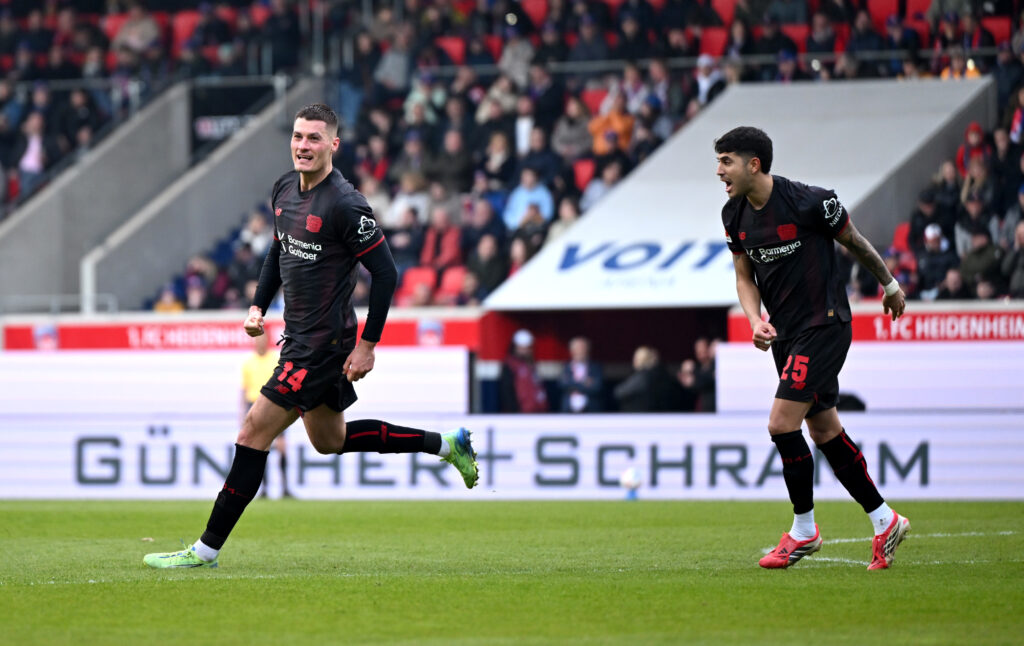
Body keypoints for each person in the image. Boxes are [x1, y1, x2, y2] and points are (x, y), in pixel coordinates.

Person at [144, 104, 479, 570]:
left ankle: (205, 551)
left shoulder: (346, 204)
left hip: (323, 346)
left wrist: (369, 343)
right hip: (297, 337)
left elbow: (386, 273)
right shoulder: (284, 188)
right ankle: (447, 444)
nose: (304, 145)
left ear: (333, 145)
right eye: (299, 136)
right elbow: (276, 252)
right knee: (330, 441)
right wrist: (259, 306)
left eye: (314, 138)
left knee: (252, 431)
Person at [715, 126, 910, 571]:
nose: (719, 172)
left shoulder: (811, 201)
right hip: (785, 335)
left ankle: (804, 531)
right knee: (824, 432)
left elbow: (855, 242)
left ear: (754, 164)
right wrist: (754, 320)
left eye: (726, 161)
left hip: (824, 325)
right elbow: (744, 277)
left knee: (782, 424)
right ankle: (885, 520)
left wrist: (890, 284)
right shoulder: (733, 216)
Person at [241, 334, 292, 499]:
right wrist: (243, 413)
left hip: (273, 404)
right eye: (257, 340)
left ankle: (285, 487)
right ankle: (263, 489)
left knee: (281, 447)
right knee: (260, 448)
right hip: (254, 404)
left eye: (263, 340)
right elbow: (244, 390)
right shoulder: (248, 363)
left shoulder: (276, 360)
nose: (260, 343)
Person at [558, 336, 604, 413]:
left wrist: (573, 384)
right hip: (568, 412)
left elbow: (597, 387)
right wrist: (584, 383)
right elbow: (562, 384)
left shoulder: (596, 367)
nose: (581, 351)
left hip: (591, 412)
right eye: (578, 348)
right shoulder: (565, 367)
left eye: (583, 348)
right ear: (572, 350)